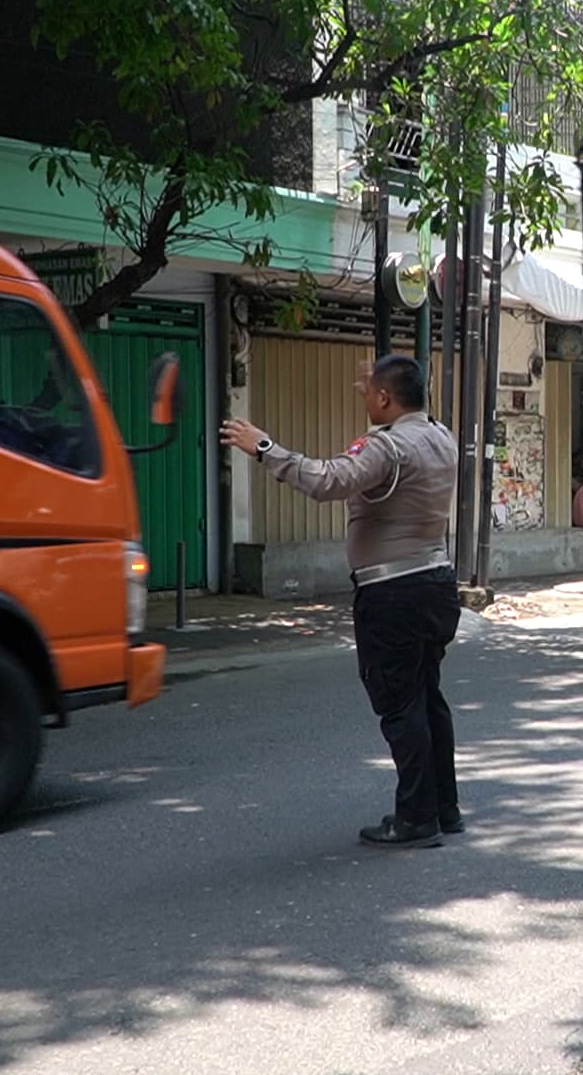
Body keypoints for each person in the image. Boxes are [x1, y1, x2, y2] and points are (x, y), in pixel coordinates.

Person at [221, 356, 462, 850]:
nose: (363, 396)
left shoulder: (388, 447)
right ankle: (443, 808)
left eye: (367, 391)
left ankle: (416, 818)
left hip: (394, 592)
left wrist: (265, 448)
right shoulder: (441, 437)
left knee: (400, 705)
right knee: (427, 697)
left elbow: (328, 480)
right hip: (436, 582)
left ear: (384, 399)